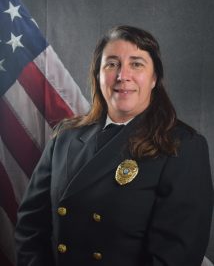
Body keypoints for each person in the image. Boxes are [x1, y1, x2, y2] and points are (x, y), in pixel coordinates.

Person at [15, 25, 213, 266]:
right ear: (98, 75)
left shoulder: (181, 146)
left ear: (154, 79)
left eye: (136, 64)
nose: (122, 76)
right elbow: (30, 226)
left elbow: (176, 255)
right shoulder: (65, 137)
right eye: (112, 64)